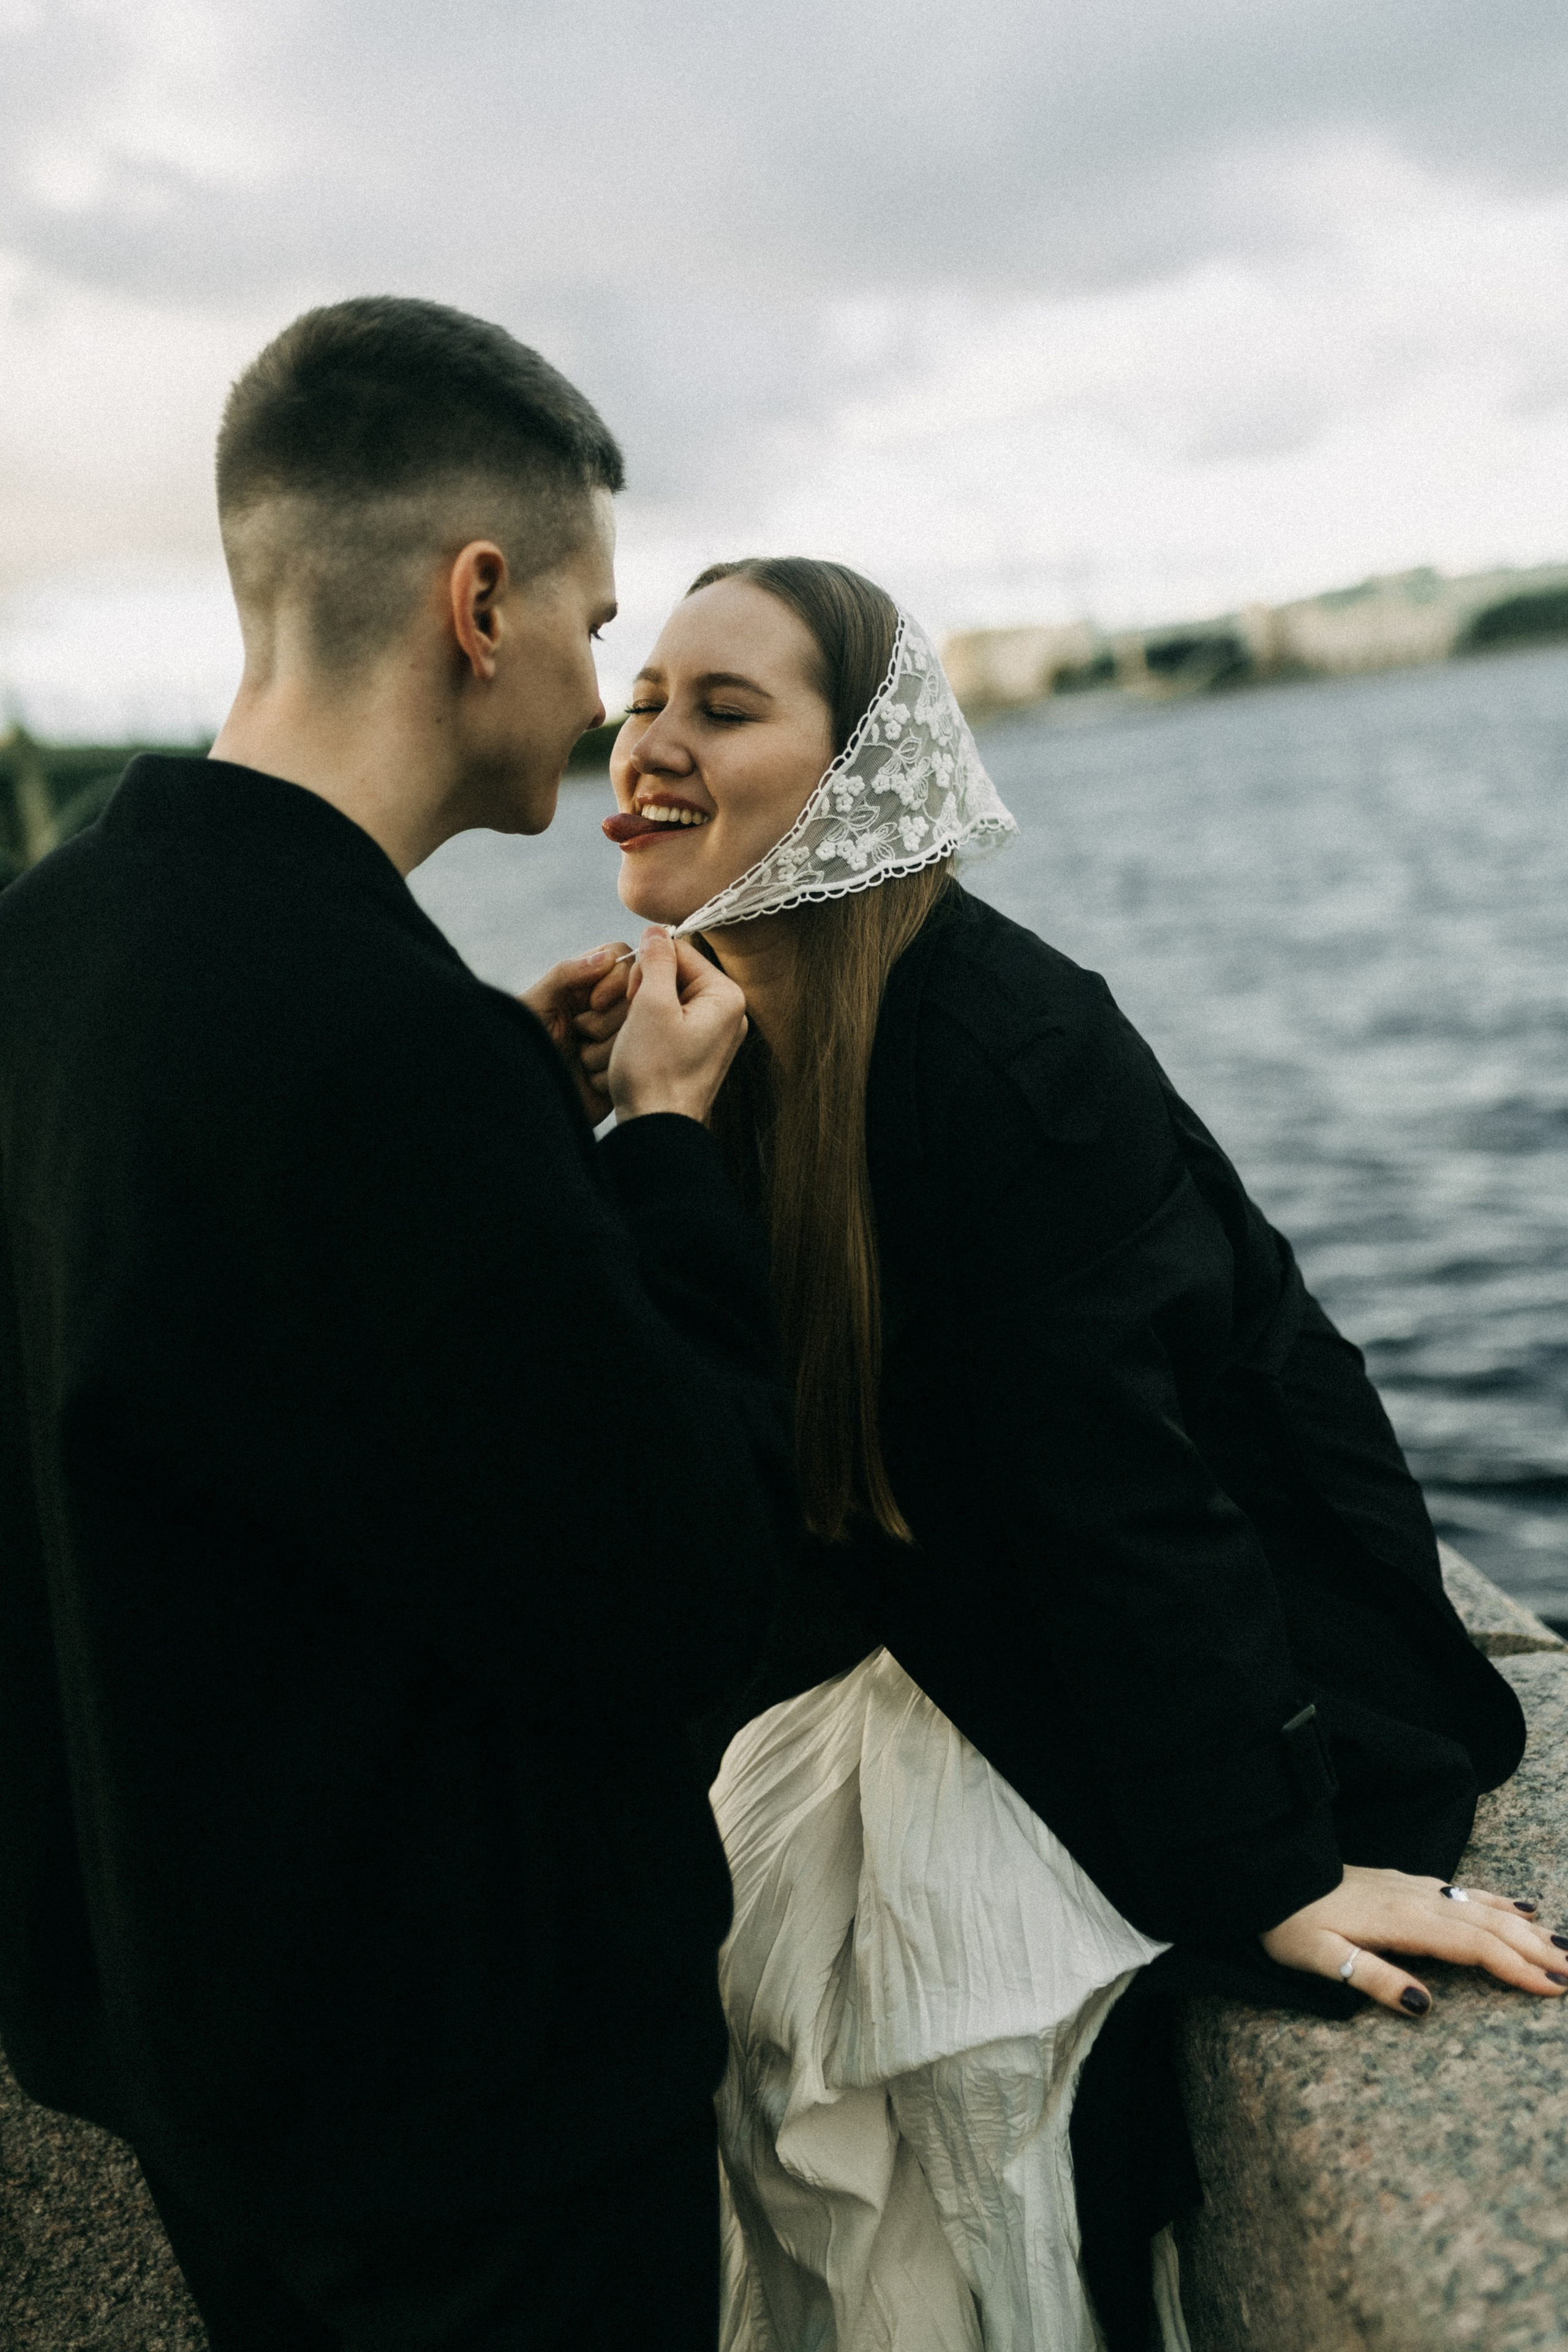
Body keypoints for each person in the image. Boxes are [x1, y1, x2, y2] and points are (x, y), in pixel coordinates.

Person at [595, 556, 1565, 2352]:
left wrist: (1264, 1866)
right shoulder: (732, 1030)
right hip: (958, 1628)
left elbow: (1135, 1492)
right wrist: (621, 1113)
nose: (645, 742)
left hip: (1201, 1657)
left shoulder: (996, 1051)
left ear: (859, 776)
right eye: (646, 695)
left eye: (721, 709)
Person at [0, 300, 797, 2351]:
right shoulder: (375, 1047)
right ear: (477, 600)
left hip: (197, 2062)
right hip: (469, 2138)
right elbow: (682, 1593)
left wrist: (510, 1137)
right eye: (595, 619)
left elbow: (224, 1385)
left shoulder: (61, 949)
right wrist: (659, 1158)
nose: (604, 690)